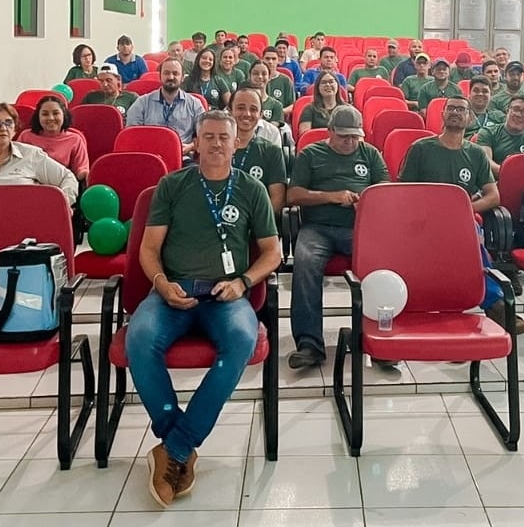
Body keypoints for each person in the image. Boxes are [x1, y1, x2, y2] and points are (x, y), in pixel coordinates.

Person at [129, 110, 280, 508]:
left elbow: (272, 253)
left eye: (223, 137)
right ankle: (177, 441)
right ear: (195, 142)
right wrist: (161, 283)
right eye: (207, 136)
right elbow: (149, 248)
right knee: (139, 339)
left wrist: (243, 282)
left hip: (225, 295)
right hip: (173, 292)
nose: (215, 144)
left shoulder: (251, 189)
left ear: (236, 143)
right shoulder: (172, 185)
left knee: (243, 340)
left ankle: (175, 447)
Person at [398, 95, 524, 334]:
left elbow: (493, 196)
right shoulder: (421, 149)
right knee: (470, 243)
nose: (455, 112)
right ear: (442, 114)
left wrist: (463, 209)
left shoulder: (476, 153)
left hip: (460, 222)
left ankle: (488, 309)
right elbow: (403, 192)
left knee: (471, 239)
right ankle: (496, 307)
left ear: (470, 118)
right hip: (423, 221)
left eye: (461, 109)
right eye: (451, 108)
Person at [287, 106, 388, 368]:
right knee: (305, 262)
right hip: (317, 227)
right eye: (343, 136)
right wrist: (331, 197)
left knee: (383, 266)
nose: (350, 142)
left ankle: (380, 339)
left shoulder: (370, 154)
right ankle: (310, 344)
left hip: (359, 228)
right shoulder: (311, 154)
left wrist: (367, 200)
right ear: (330, 131)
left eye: (354, 136)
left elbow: (385, 189)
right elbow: (293, 195)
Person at [128, 59, 205, 156]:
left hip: (182, 156)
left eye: (175, 73)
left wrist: (191, 146)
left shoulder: (195, 104)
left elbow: (205, 135)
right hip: (150, 155)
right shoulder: (142, 103)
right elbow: (131, 135)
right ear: (160, 76)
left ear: (182, 78)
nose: (171, 77)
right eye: (166, 73)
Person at [230, 86, 288, 212]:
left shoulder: (272, 151)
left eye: (253, 109)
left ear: (261, 115)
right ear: (230, 111)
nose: (247, 114)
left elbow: (277, 200)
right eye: (240, 108)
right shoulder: (217, 148)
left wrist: (259, 221)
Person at [18, 95, 90, 182]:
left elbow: (80, 169)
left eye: (56, 113)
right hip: (29, 184)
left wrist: (86, 175)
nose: (51, 118)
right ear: (38, 117)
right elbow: (16, 165)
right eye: (45, 114)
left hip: (62, 185)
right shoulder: (26, 137)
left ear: (64, 115)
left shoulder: (75, 139)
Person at [475, 95, 524, 176]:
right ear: (507, 111)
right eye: (515, 109)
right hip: (497, 179)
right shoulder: (488, 132)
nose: (518, 115)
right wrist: (512, 174)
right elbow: (486, 162)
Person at [247, 59, 286, 126]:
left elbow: (273, 129)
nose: (260, 76)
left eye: (264, 74)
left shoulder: (276, 105)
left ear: (269, 77)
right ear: (250, 76)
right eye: (256, 73)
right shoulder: (240, 102)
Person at [466, 75, 505, 139]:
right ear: (469, 93)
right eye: (476, 90)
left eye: (485, 91)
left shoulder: (499, 117)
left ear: (491, 94)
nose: (480, 94)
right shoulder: (462, 115)